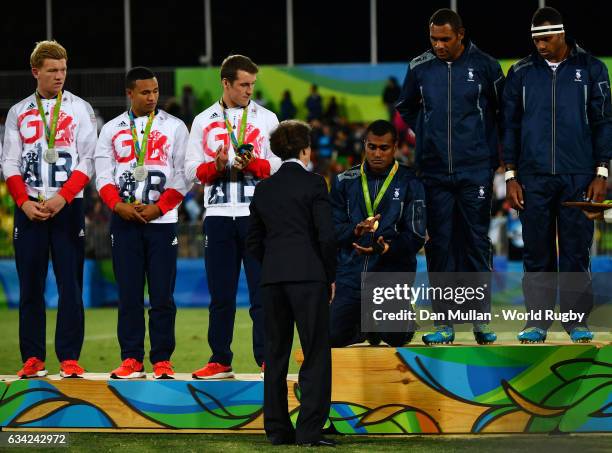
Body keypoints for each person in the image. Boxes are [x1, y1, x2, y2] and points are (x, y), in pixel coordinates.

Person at [503, 7, 612, 344]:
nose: (540, 45)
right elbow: (509, 126)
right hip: (533, 176)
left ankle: (576, 320)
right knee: (536, 251)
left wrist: (601, 171)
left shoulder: (592, 69)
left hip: (578, 174)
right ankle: (537, 321)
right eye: (535, 39)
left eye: (547, 38)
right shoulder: (520, 73)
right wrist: (510, 175)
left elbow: (603, 122)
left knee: (576, 250)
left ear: (562, 34)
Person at [396, 8, 504, 345]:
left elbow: (502, 112)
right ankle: (444, 324)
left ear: (460, 34)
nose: (439, 45)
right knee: (439, 244)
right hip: (434, 171)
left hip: (476, 170)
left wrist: (486, 150)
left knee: (475, 244)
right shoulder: (419, 68)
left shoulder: (486, 66)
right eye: (433, 39)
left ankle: (479, 320)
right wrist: (426, 134)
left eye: (445, 38)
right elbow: (406, 106)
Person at [2, 40, 97, 378]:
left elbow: (89, 160)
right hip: (29, 207)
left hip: (67, 206)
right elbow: (9, 162)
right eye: (52, 70)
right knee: (31, 285)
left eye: (63, 69)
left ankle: (69, 357)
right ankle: (33, 358)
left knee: (70, 285)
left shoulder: (80, 109)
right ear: (35, 72)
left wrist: (64, 197)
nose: (60, 76)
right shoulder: (18, 112)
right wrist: (24, 202)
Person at [185, 55, 281, 379]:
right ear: (225, 83)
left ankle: (267, 359)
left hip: (256, 216)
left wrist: (251, 166)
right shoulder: (202, 120)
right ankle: (220, 360)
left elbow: (279, 166)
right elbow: (189, 171)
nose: (249, 90)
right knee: (221, 294)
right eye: (243, 85)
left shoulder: (268, 118)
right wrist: (218, 166)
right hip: (219, 215)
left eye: (252, 84)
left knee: (262, 293)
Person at [95, 67, 190, 379]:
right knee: (130, 296)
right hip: (124, 222)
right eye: (145, 92)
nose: (152, 97)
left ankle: (162, 359)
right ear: (129, 93)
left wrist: (159, 207)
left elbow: (183, 174)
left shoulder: (175, 127)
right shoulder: (110, 129)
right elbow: (103, 175)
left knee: (162, 296)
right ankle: (131, 359)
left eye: (155, 91)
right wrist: (117, 206)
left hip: (162, 222)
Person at [246, 120, 336, 447]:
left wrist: (273, 264)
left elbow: (252, 240)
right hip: (309, 277)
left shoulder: (264, 188)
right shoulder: (315, 184)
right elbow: (326, 236)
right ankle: (309, 432)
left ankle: (277, 431)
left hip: (273, 280)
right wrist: (329, 275)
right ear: (304, 150)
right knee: (314, 354)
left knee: (276, 355)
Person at [329, 119, 426, 347]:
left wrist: (388, 248)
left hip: (390, 278)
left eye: (384, 148)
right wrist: (353, 230)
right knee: (330, 337)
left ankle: (403, 319)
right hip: (351, 278)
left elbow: (417, 235)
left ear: (395, 147)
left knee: (395, 338)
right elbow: (332, 229)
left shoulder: (410, 182)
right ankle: (365, 328)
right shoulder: (344, 181)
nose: (377, 153)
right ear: (364, 145)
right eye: (372, 147)